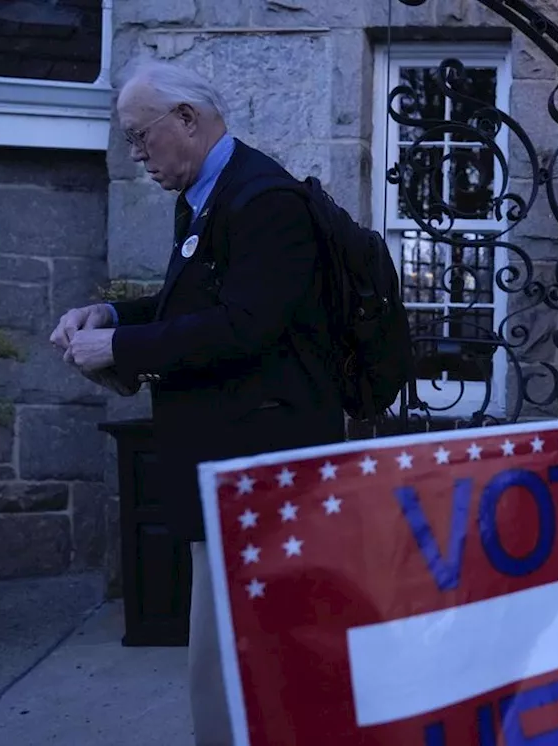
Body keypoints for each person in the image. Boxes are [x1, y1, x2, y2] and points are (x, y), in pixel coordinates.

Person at [49, 59, 344, 746]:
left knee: (231, 660)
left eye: (140, 136)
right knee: (229, 654)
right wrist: (114, 317)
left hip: (253, 472)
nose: (135, 154)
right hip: (228, 467)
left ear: (187, 119)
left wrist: (121, 352)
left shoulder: (263, 198)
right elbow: (198, 306)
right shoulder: (216, 192)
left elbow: (245, 327)